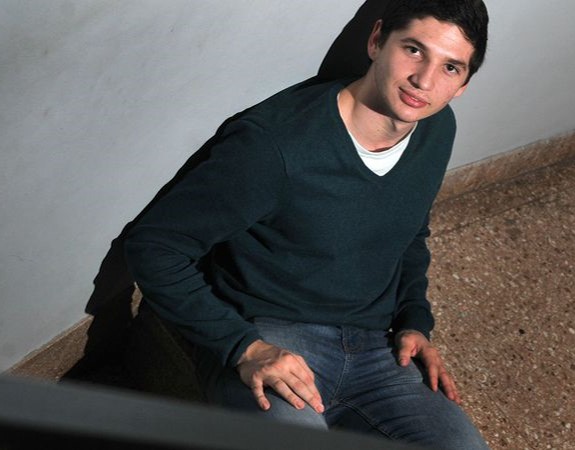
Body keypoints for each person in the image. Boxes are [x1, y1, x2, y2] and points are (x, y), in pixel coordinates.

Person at [124, 0, 490, 448]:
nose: (425, 81)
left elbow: (410, 232)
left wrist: (414, 320)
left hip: (377, 348)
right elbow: (154, 247)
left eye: (450, 67)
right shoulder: (275, 145)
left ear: (463, 84)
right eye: (413, 50)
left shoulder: (436, 129)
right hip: (269, 332)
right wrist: (243, 346)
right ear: (377, 41)